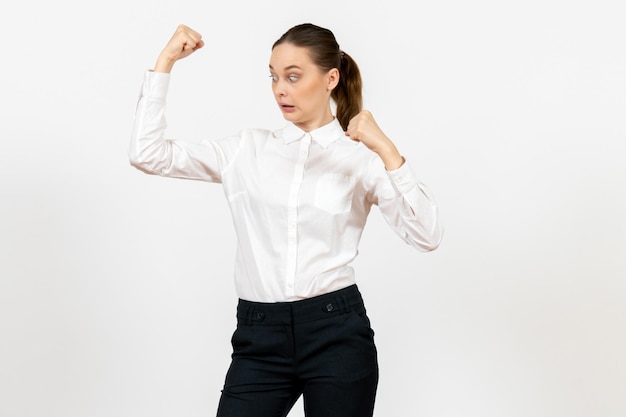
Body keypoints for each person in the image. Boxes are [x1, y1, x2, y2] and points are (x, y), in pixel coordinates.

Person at [129, 22, 443, 417]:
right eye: (274, 77)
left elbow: (427, 234)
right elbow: (148, 154)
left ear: (331, 78)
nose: (280, 89)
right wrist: (165, 62)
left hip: (337, 334)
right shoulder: (247, 150)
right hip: (259, 336)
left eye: (293, 77)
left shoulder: (361, 158)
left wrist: (386, 149)